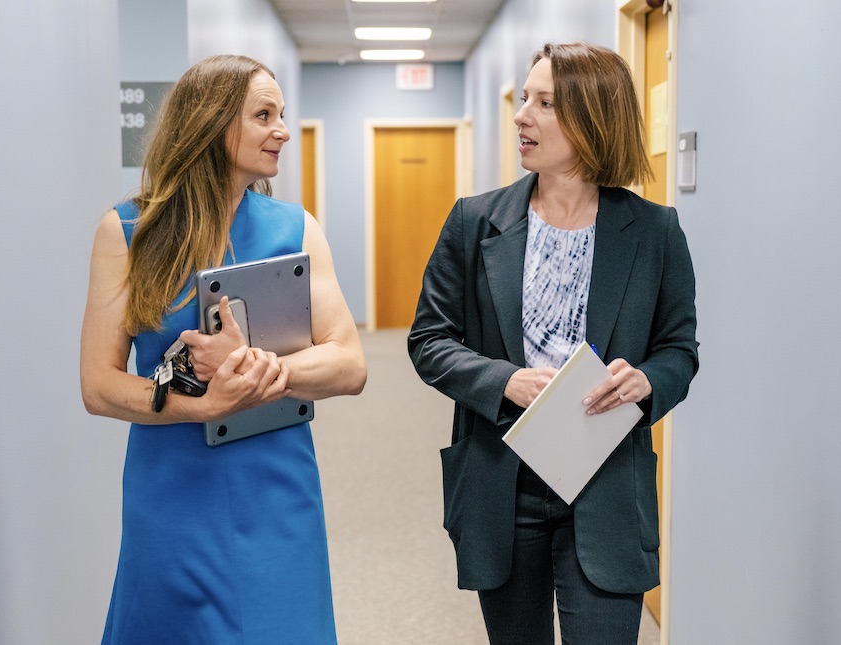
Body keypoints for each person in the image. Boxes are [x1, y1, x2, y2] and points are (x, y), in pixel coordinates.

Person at [408, 42, 698, 644]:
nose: (522, 116)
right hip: (502, 485)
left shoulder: (654, 231)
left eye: (545, 103)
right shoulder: (474, 221)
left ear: (594, 118)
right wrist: (502, 380)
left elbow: (679, 350)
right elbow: (429, 339)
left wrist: (649, 382)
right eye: (524, 99)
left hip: (607, 485)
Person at [80, 54, 366, 644]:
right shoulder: (128, 232)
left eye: (282, 114)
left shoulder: (296, 228)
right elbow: (98, 384)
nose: (282, 130)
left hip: (277, 485)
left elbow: (349, 363)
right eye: (264, 115)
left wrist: (263, 370)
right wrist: (203, 405)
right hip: (173, 490)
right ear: (211, 123)